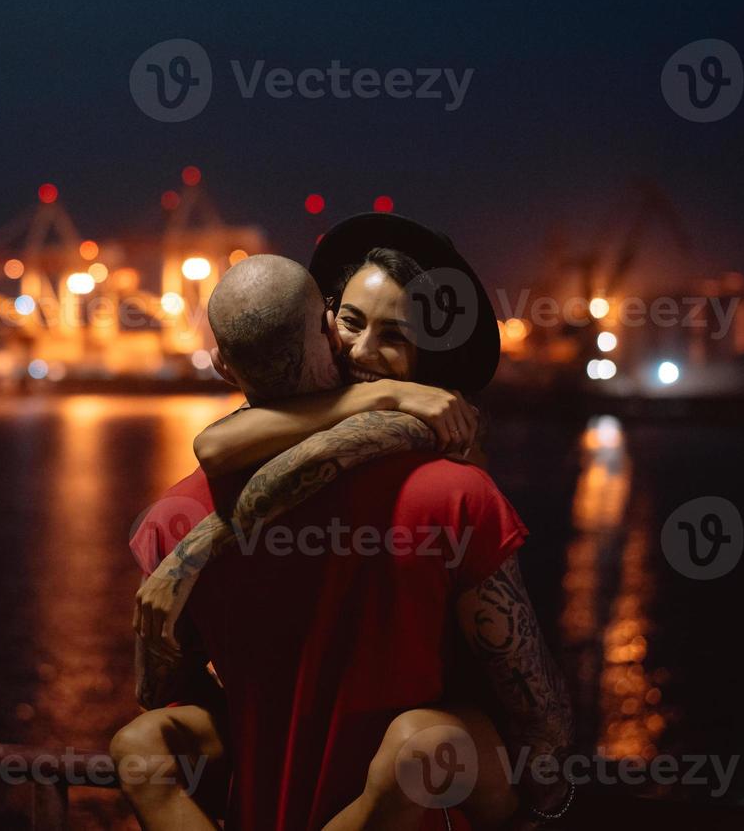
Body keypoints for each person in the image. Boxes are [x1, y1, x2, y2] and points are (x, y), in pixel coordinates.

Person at [112, 228, 574, 830]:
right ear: (323, 321)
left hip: (268, 802)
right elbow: (533, 702)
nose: (358, 353)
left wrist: (197, 550)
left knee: (145, 745)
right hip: (424, 797)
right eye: (350, 322)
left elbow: (168, 685)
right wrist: (551, 805)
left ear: (223, 362)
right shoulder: (454, 497)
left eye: (392, 337)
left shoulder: (174, 514)